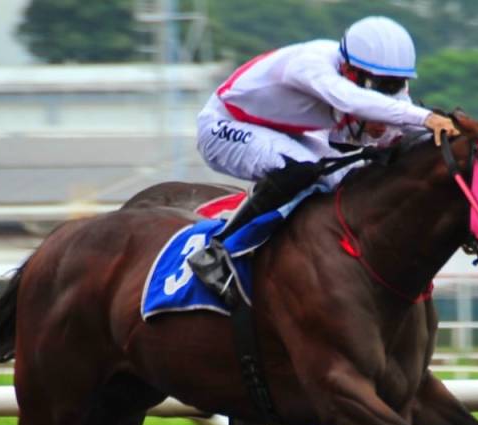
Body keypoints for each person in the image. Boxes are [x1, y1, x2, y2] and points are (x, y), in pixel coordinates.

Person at [189, 15, 459, 299]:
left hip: (288, 130)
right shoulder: (312, 64)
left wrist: (457, 130)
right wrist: (425, 118)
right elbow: (354, 100)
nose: (390, 93)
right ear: (350, 71)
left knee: (346, 183)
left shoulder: (377, 80)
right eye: (383, 85)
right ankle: (217, 250)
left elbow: (405, 122)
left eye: (395, 85)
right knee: (300, 169)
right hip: (224, 125)